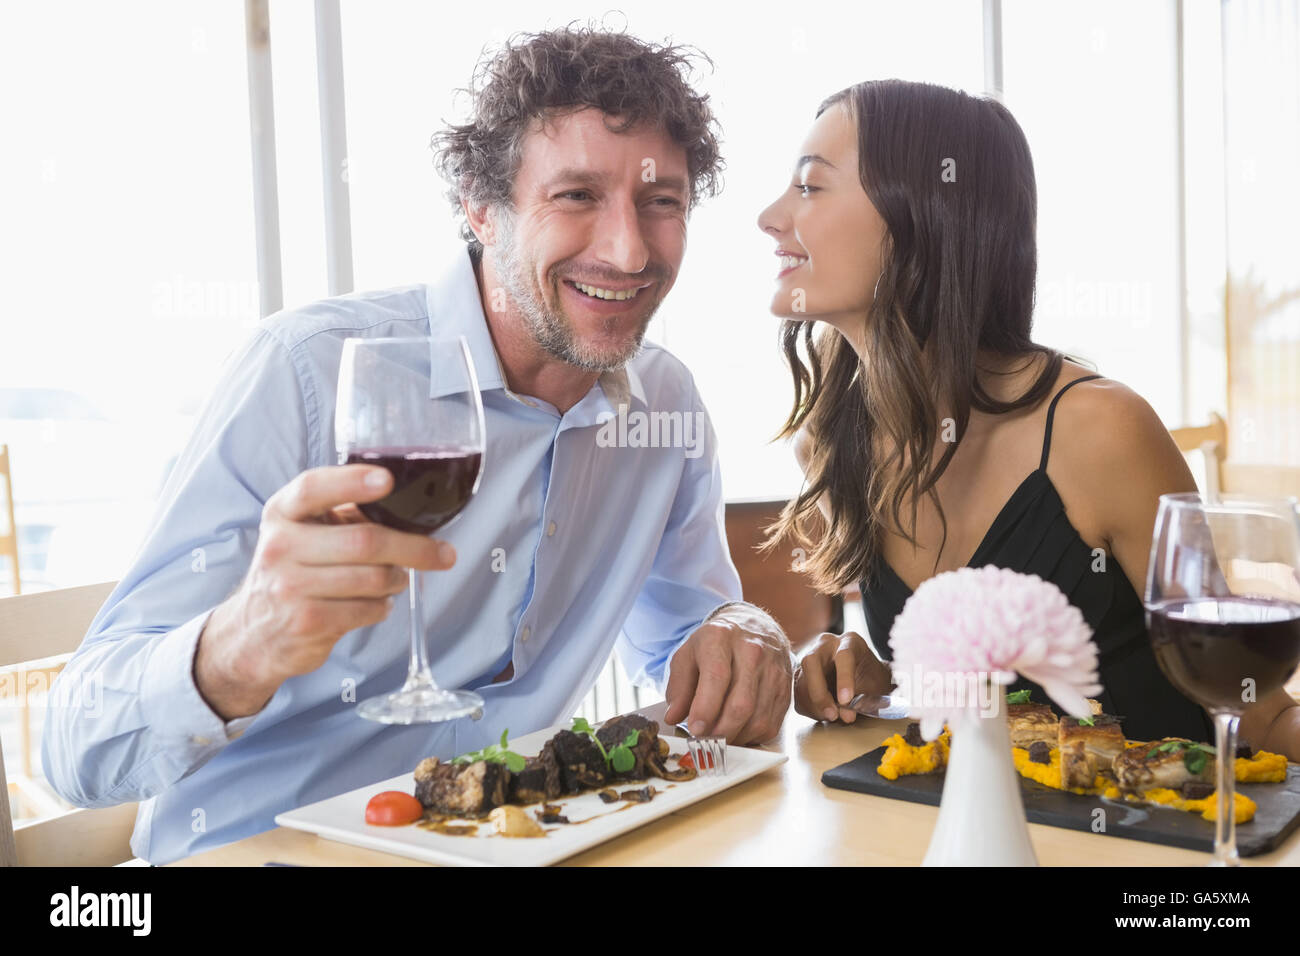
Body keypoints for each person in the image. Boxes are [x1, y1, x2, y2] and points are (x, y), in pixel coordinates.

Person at [42, 26, 793, 864]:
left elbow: (687, 634)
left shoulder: (666, 406)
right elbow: (73, 750)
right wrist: (240, 644)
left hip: (510, 842)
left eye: (661, 202)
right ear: (481, 207)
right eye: (576, 195)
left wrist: (740, 629)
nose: (626, 250)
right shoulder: (306, 375)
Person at [757, 79, 1300, 756]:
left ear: (922, 216)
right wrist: (876, 675)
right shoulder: (832, 443)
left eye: (810, 187)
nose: (771, 217)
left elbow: (1257, 709)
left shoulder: (1101, 432)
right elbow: (983, 704)